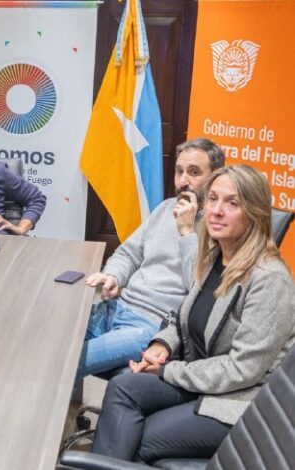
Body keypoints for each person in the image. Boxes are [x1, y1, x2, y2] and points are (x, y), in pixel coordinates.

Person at [90, 165, 295, 462]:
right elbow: (185, 314)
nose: (216, 211)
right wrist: (163, 345)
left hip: (238, 399)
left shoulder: (269, 279)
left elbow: (243, 370)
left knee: (137, 436)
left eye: (232, 203)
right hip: (201, 377)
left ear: (255, 213)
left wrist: (169, 371)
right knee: (124, 387)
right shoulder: (215, 255)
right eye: (212, 199)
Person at [79, 138, 225, 378]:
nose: (183, 181)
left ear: (216, 177)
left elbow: (200, 290)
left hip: (150, 326)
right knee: (53, 338)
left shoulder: (220, 227)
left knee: (66, 361)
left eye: (194, 172)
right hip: (116, 308)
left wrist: (187, 232)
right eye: (179, 172)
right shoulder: (166, 208)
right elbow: (129, 252)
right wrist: (113, 275)